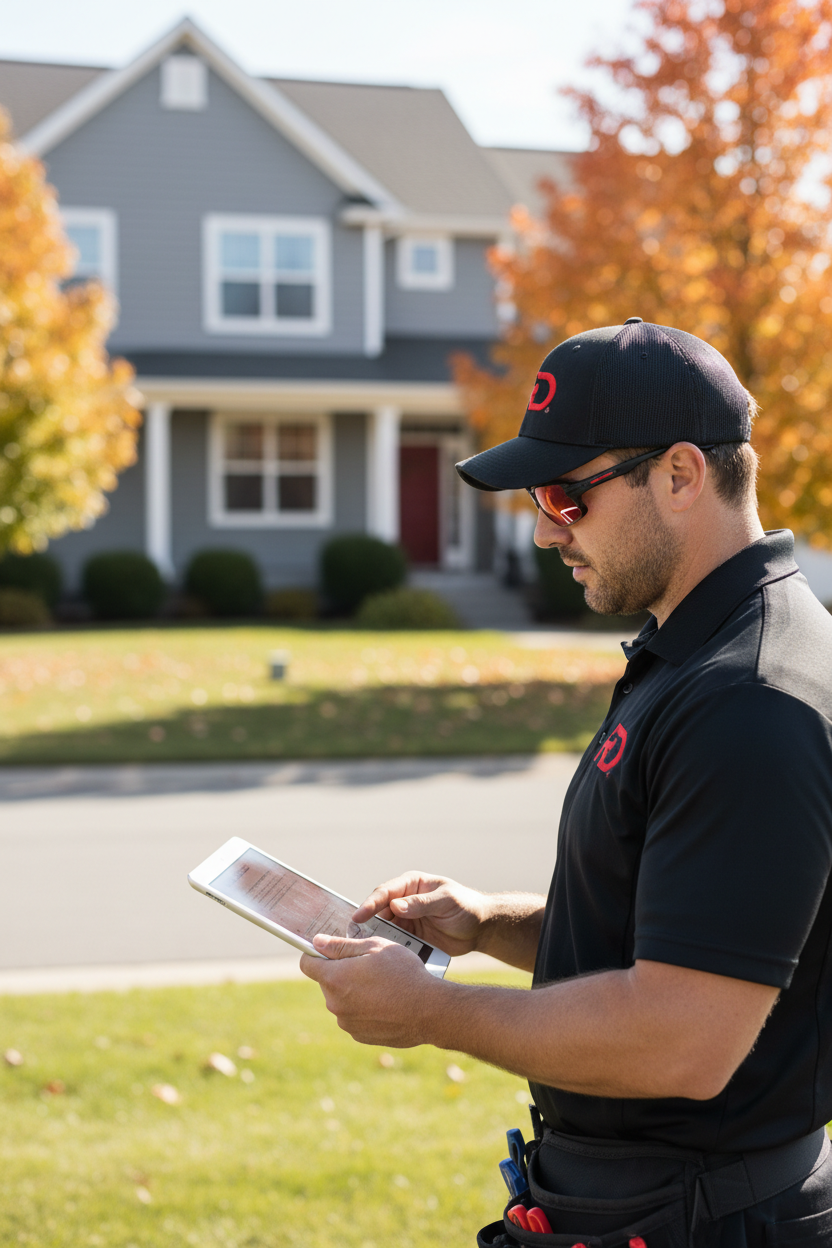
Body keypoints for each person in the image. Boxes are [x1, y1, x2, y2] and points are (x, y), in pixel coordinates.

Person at [301, 319, 832, 1247]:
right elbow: (686, 933)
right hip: (656, 1205)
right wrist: (488, 922)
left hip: (703, 1219)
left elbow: (683, 1035)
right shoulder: (703, 651)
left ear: (679, 474)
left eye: (565, 494)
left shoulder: (750, 695)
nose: (546, 530)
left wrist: (435, 1012)